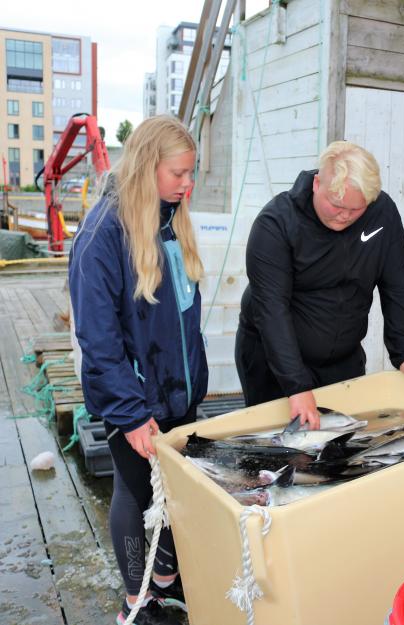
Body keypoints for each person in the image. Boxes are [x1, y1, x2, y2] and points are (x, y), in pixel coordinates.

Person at [69, 115, 207, 624]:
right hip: (134, 403)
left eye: (191, 173)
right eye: (179, 174)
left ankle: (167, 582)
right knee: (135, 491)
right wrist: (129, 414)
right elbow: (98, 340)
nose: (187, 184)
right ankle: (136, 600)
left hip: (179, 394)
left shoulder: (170, 219)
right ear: (149, 166)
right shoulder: (102, 235)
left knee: (175, 492)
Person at [236, 140, 404, 424]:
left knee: (340, 448)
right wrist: (296, 385)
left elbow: (396, 283)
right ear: (317, 184)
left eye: (355, 210)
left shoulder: (382, 213)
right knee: (280, 455)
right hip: (274, 362)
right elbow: (271, 310)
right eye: (337, 205)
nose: (344, 216)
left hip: (343, 359)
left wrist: (403, 353)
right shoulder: (275, 224)